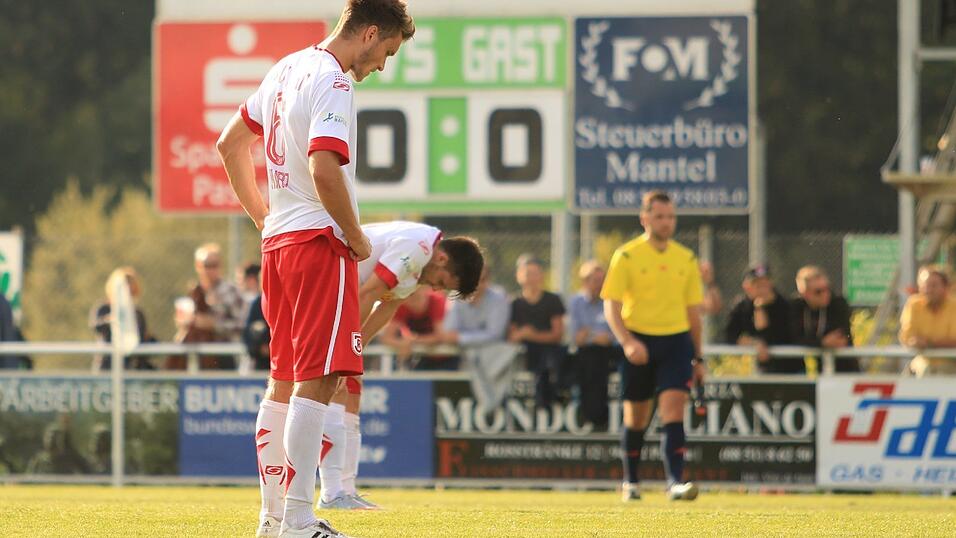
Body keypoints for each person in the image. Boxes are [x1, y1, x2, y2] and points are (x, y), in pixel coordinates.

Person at [217, 1, 415, 535]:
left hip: (279, 244)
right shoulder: (335, 81)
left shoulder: (285, 67)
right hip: (316, 243)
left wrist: (264, 218)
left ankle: (272, 519)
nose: (381, 66)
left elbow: (229, 143)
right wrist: (356, 237)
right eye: (387, 52)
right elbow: (323, 167)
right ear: (370, 33)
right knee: (318, 382)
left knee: (280, 384)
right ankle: (302, 520)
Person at [318, 222, 482, 510]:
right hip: (322, 286)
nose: (434, 288)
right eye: (441, 282)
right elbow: (368, 293)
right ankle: (331, 493)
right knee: (336, 391)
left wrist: (355, 353)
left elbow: (388, 307)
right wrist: (345, 348)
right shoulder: (417, 248)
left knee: (352, 390)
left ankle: (345, 489)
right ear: (442, 259)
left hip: (339, 296)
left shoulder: (422, 263)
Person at [601, 190, 704, 502]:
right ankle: (631, 482)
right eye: (659, 216)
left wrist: (698, 357)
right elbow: (611, 305)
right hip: (639, 342)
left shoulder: (685, 257)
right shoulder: (627, 255)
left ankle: (675, 482)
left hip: (675, 342)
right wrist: (628, 342)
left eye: (671, 216)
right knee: (636, 417)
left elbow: (693, 313)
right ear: (645, 219)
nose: (666, 222)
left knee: (673, 410)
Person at [167, 243, 245, 370]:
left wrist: (214, 325)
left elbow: (242, 325)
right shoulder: (194, 292)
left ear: (221, 266)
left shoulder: (230, 291)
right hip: (195, 357)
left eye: (214, 265)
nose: (210, 270)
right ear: (198, 266)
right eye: (206, 265)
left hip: (223, 356)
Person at [508, 254, 567, 410]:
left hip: (549, 353)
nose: (531, 278)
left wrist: (531, 335)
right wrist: (526, 336)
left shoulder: (553, 300)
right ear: (518, 276)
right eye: (527, 274)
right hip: (525, 354)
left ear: (541, 275)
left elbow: (557, 335)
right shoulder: (514, 303)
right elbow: (512, 336)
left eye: (534, 273)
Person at [569, 260, 622, 430]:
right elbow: (576, 336)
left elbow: (618, 332)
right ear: (585, 282)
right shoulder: (575, 302)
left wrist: (593, 335)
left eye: (603, 280)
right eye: (596, 280)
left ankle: (596, 414)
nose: (601, 285)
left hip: (611, 350)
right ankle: (595, 414)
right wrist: (597, 337)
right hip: (589, 353)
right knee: (591, 358)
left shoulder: (613, 300)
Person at [724, 264, 797, 374]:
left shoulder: (785, 305)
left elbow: (785, 335)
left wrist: (760, 308)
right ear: (746, 286)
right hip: (753, 371)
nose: (762, 288)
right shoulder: (741, 307)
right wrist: (753, 343)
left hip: (789, 369)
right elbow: (729, 335)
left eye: (765, 283)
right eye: (756, 284)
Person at [790, 265, 859, 373]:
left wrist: (814, 342)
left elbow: (840, 339)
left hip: (844, 366)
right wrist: (821, 343)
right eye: (818, 291)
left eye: (827, 289)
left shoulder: (838, 304)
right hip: (816, 367)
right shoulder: (796, 307)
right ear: (804, 293)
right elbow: (793, 338)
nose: (825, 294)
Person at [89, 267, 155, 371]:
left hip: (130, 367)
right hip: (107, 364)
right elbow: (96, 327)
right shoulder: (103, 308)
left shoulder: (137, 313)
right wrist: (110, 320)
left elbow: (142, 338)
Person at [899, 264, 956, 376]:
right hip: (921, 362)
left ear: (945, 287)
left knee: (937, 372)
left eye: (933, 285)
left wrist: (929, 343)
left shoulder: (954, 306)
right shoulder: (913, 304)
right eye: (924, 286)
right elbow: (907, 336)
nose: (928, 290)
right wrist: (915, 342)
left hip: (951, 363)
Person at [378, 287, 454, 370]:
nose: (412, 298)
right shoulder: (402, 305)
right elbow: (386, 338)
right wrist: (401, 344)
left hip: (448, 357)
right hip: (423, 356)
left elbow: (442, 337)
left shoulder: (437, 300)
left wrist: (412, 341)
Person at [439, 265, 510, 348]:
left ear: (488, 281)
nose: (477, 285)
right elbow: (449, 332)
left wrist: (461, 338)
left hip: (493, 355)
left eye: (482, 280)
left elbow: (495, 335)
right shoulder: (456, 296)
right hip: (461, 354)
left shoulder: (499, 298)